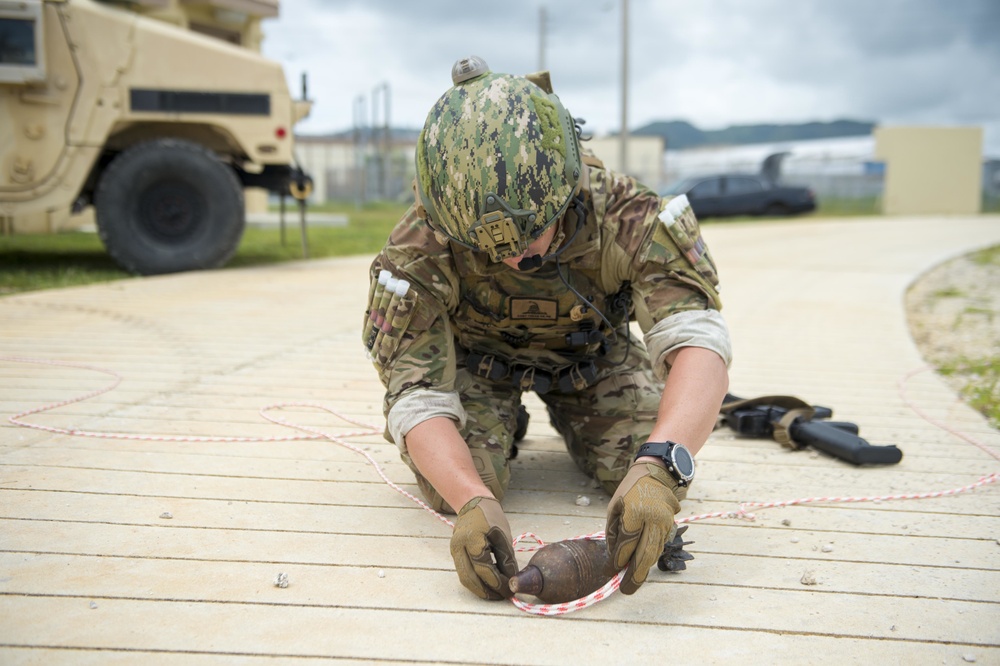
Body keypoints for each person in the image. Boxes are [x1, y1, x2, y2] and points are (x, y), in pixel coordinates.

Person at [364, 56, 731, 601]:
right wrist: (471, 501)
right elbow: (416, 393)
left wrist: (661, 465)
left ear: (565, 190)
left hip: (594, 362)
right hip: (475, 368)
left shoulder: (628, 216)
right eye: (484, 248)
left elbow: (698, 341)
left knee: (642, 468)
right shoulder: (421, 244)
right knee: (452, 484)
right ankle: (497, 431)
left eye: (531, 236)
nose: (512, 259)